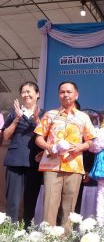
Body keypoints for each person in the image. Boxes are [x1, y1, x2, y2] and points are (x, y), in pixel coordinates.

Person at [34, 81, 96, 229]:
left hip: (74, 166)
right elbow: (38, 138)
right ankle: (47, 241)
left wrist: (80, 147)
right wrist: (49, 147)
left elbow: (91, 141)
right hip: (51, 165)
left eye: (69, 92)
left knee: (69, 208)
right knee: (50, 204)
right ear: (58, 95)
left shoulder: (83, 117)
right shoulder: (50, 115)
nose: (65, 95)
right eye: (62, 92)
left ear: (76, 95)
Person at [3, 81, 44, 228]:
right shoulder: (14, 112)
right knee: (12, 201)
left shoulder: (44, 114)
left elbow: (47, 137)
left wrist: (37, 120)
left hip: (35, 162)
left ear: (37, 94)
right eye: (23, 92)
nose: (26, 94)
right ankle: (10, 233)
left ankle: (28, 232)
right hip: (15, 162)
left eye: (29, 91)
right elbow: (6, 136)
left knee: (31, 200)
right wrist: (16, 119)